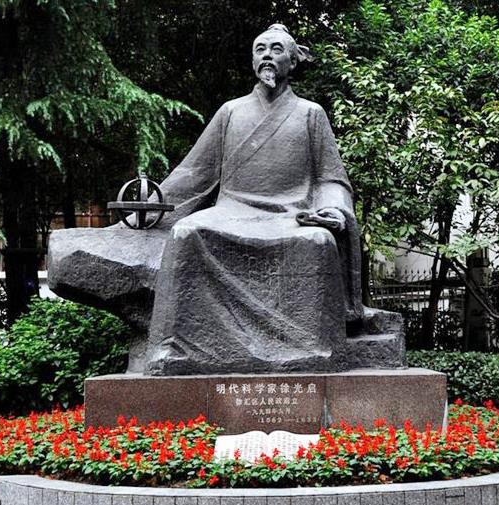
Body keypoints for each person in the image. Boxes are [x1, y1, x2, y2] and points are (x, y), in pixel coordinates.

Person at [143, 24, 363, 375]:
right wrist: (150, 204)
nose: (267, 56)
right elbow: (194, 172)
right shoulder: (231, 112)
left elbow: (330, 178)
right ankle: (177, 349)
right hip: (231, 211)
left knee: (319, 241)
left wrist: (333, 210)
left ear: (292, 61)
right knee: (186, 233)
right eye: (260, 50)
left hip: (290, 215)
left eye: (276, 50)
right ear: (252, 60)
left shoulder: (311, 114)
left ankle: (311, 351)